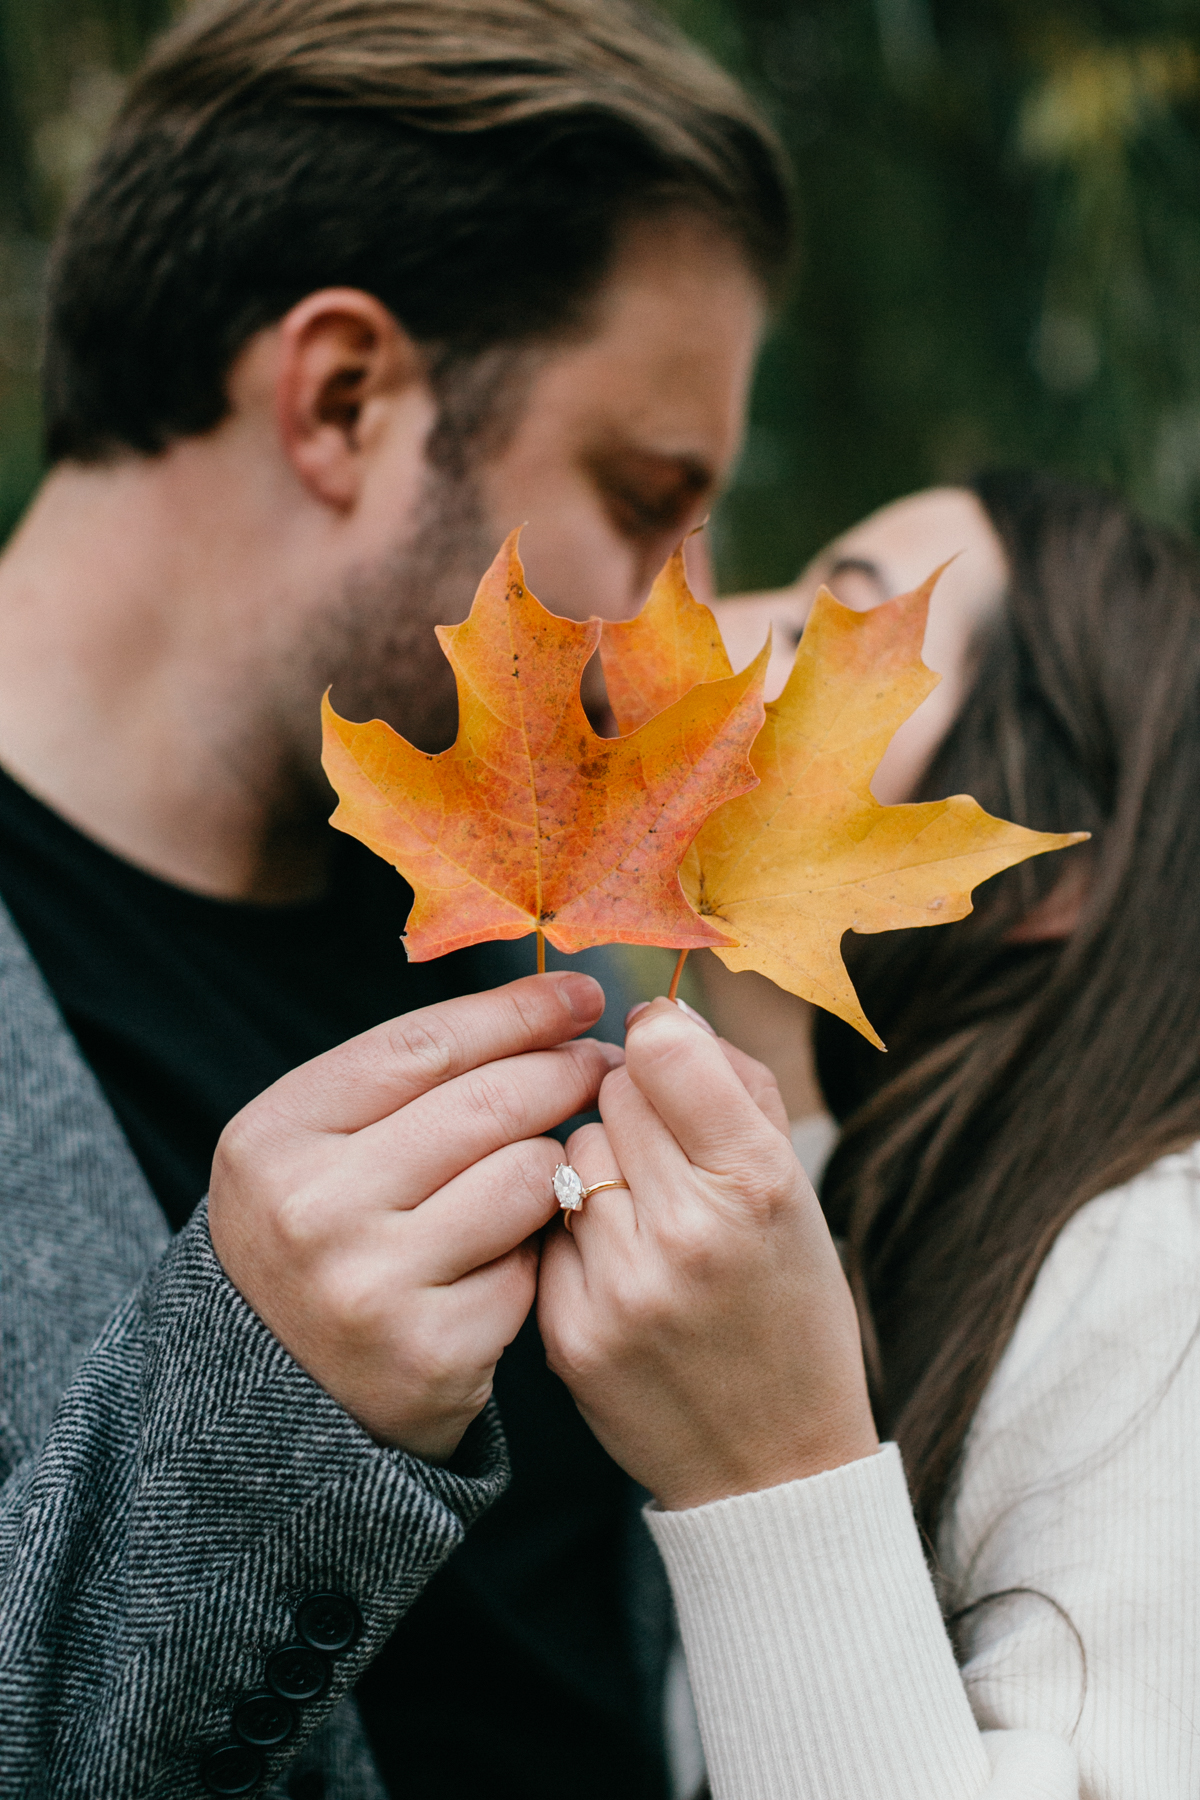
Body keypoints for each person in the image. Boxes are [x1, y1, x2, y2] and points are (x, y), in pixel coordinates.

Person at [0, 3, 791, 1795]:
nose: (668, 634)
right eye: (643, 501)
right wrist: (252, 1417)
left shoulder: (568, 961)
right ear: (345, 397)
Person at [538, 471, 1200, 1797]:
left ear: (1050, 870)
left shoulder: (1157, 1274)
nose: (718, 628)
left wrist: (771, 1480)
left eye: (818, 629)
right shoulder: (803, 1233)